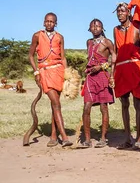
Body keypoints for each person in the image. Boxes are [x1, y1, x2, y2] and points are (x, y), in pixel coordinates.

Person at [28, 13, 72, 147]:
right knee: (56, 102)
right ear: (43, 22)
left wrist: (67, 74)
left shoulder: (60, 37)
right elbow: (30, 55)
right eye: (47, 21)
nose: (49, 24)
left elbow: (63, 57)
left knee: (55, 104)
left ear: (55, 23)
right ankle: (64, 137)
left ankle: (53, 136)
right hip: (45, 71)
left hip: (58, 71)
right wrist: (36, 71)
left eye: (52, 22)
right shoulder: (37, 35)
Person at [110, 3, 140, 150]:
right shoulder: (115, 30)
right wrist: (112, 74)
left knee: (137, 103)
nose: (120, 13)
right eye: (118, 11)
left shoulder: (137, 29)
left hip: (135, 66)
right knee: (124, 104)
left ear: (129, 13)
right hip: (121, 68)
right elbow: (116, 52)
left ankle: (138, 138)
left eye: (122, 11)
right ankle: (127, 138)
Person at [81, 19, 116, 148]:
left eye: (98, 26)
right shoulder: (89, 42)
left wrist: (104, 69)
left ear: (102, 28)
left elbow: (114, 58)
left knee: (103, 107)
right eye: (93, 26)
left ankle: (102, 138)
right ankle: (87, 139)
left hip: (103, 76)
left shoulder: (107, 42)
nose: (95, 28)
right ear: (89, 29)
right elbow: (89, 58)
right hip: (90, 77)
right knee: (86, 107)